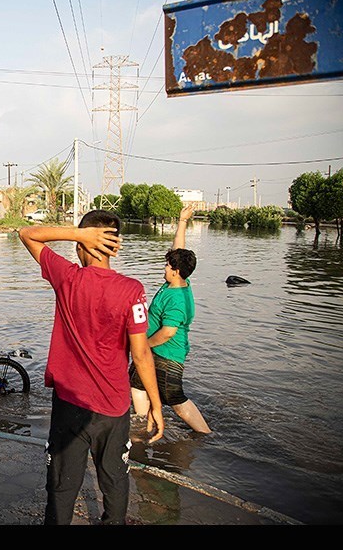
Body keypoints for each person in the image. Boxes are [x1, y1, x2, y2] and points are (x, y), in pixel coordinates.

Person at [19, 211, 164, 525]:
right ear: (114, 246)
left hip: (70, 404)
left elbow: (27, 233)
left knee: (61, 488)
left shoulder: (67, 277)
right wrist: (155, 404)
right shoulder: (132, 290)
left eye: (82, 241)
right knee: (114, 480)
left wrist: (77, 234)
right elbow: (141, 355)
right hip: (113, 409)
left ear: (82, 244)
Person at [130, 204, 211, 434]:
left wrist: (142, 345)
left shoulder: (176, 299)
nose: (164, 267)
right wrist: (182, 221)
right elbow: (178, 250)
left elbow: (168, 332)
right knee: (137, 383)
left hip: (167, 354)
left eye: (167, 265)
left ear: (175, 270)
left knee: (176, 400)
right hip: (153, 352)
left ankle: (206, 435)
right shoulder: (176, 282)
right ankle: (142, 425)